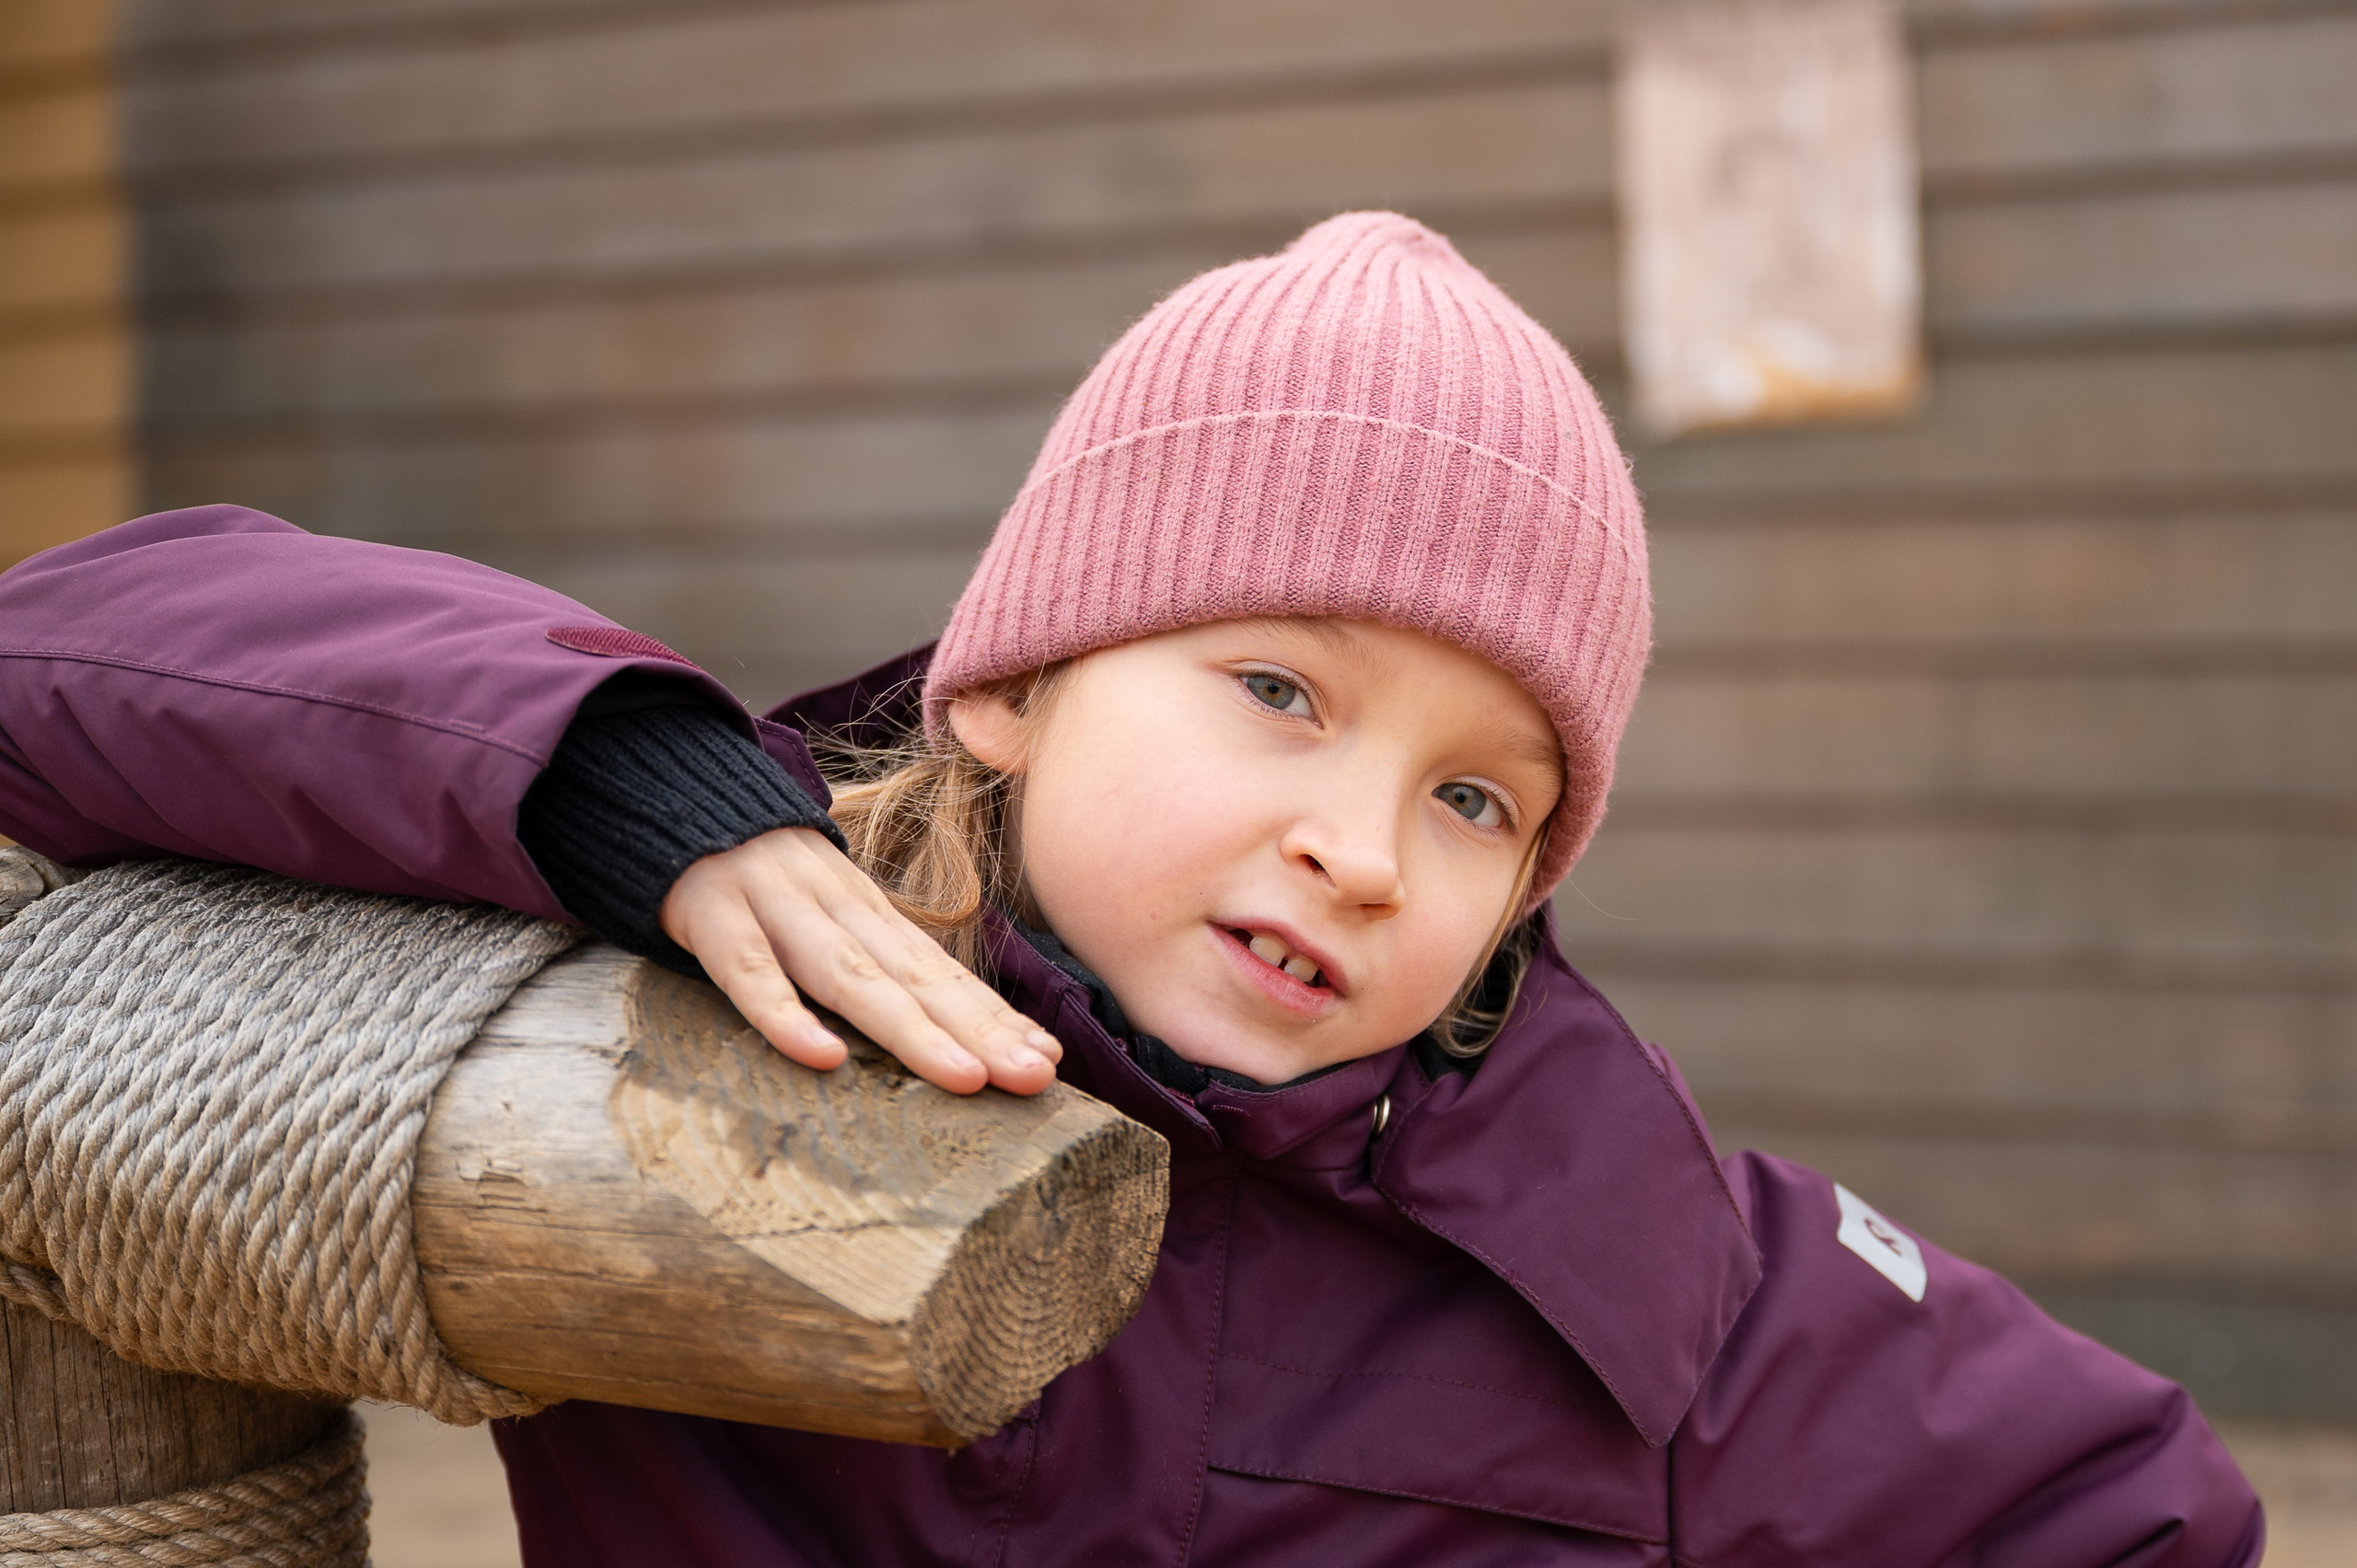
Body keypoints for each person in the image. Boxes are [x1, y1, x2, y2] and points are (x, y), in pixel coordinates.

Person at [0, 213, 2260, 1565]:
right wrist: (634, 797)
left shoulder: (1641, 1269)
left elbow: (2137, 1510)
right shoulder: (727, 959)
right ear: (1013, 687)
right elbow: (78, 643)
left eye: (1481, 802)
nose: (1360, 848)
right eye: (1279, 688)